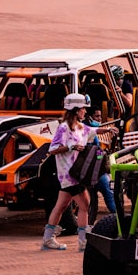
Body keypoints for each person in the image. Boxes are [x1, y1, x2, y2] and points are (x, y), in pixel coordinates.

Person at [41, 93, 97, 252]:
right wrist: (71, 147)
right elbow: (52, 149)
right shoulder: (63, 128)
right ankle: (83, 241)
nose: (85, 111)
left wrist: (109, 129)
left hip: (72, 175)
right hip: (70, 175)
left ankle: (48, 238)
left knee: (61, 205)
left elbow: (92, 130)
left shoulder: (79, 127)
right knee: (85, 204)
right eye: (83, 109)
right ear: (75, 110)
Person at [86, 106, 118, 222]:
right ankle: (120, 220)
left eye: (100, 116)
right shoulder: (88, 132)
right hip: (94, 172)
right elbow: (98, 153)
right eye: (97, 116)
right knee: (109, 192)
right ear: (89, 117)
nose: (99, 119)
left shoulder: (81, 129)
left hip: (87, 171)